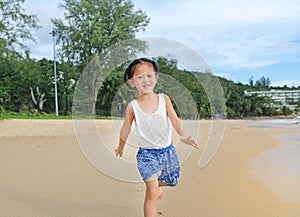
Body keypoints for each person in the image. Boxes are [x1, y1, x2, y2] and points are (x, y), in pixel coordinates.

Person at [115, 57, 199, 217]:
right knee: (151, 194)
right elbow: (125, 128)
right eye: (140, 77)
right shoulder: (132, 106)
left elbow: (175, 120)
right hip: (146, 155)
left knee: (172, 180)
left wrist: (184, 136)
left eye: (149, 76)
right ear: (132, 82)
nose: (145, 80)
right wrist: (120, 147)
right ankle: (152, 186)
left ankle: (154, 185)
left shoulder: (164, 99)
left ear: (156, 78)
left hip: (167, 151)